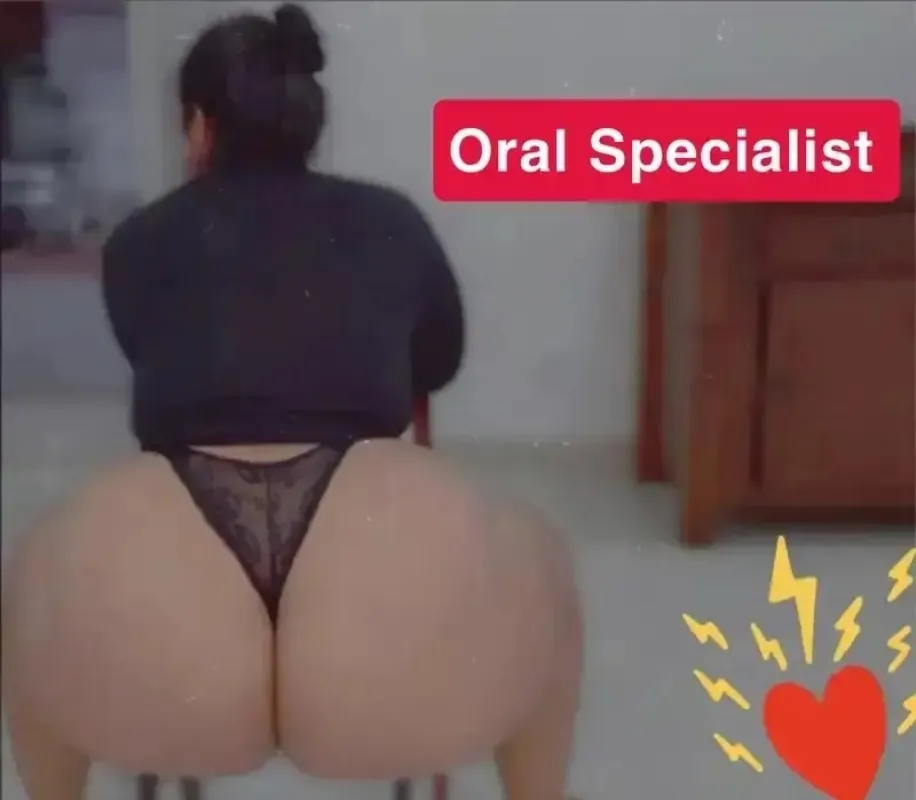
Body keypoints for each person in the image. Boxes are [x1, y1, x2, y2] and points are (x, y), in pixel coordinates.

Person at [1, 5, 583, 800]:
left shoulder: (138, 239)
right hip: (375, 532)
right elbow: (438, 363)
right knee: (544, 561)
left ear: (199, 126)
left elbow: (153, 353)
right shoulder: (391, 220)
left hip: (169, 567)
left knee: (30, 581)